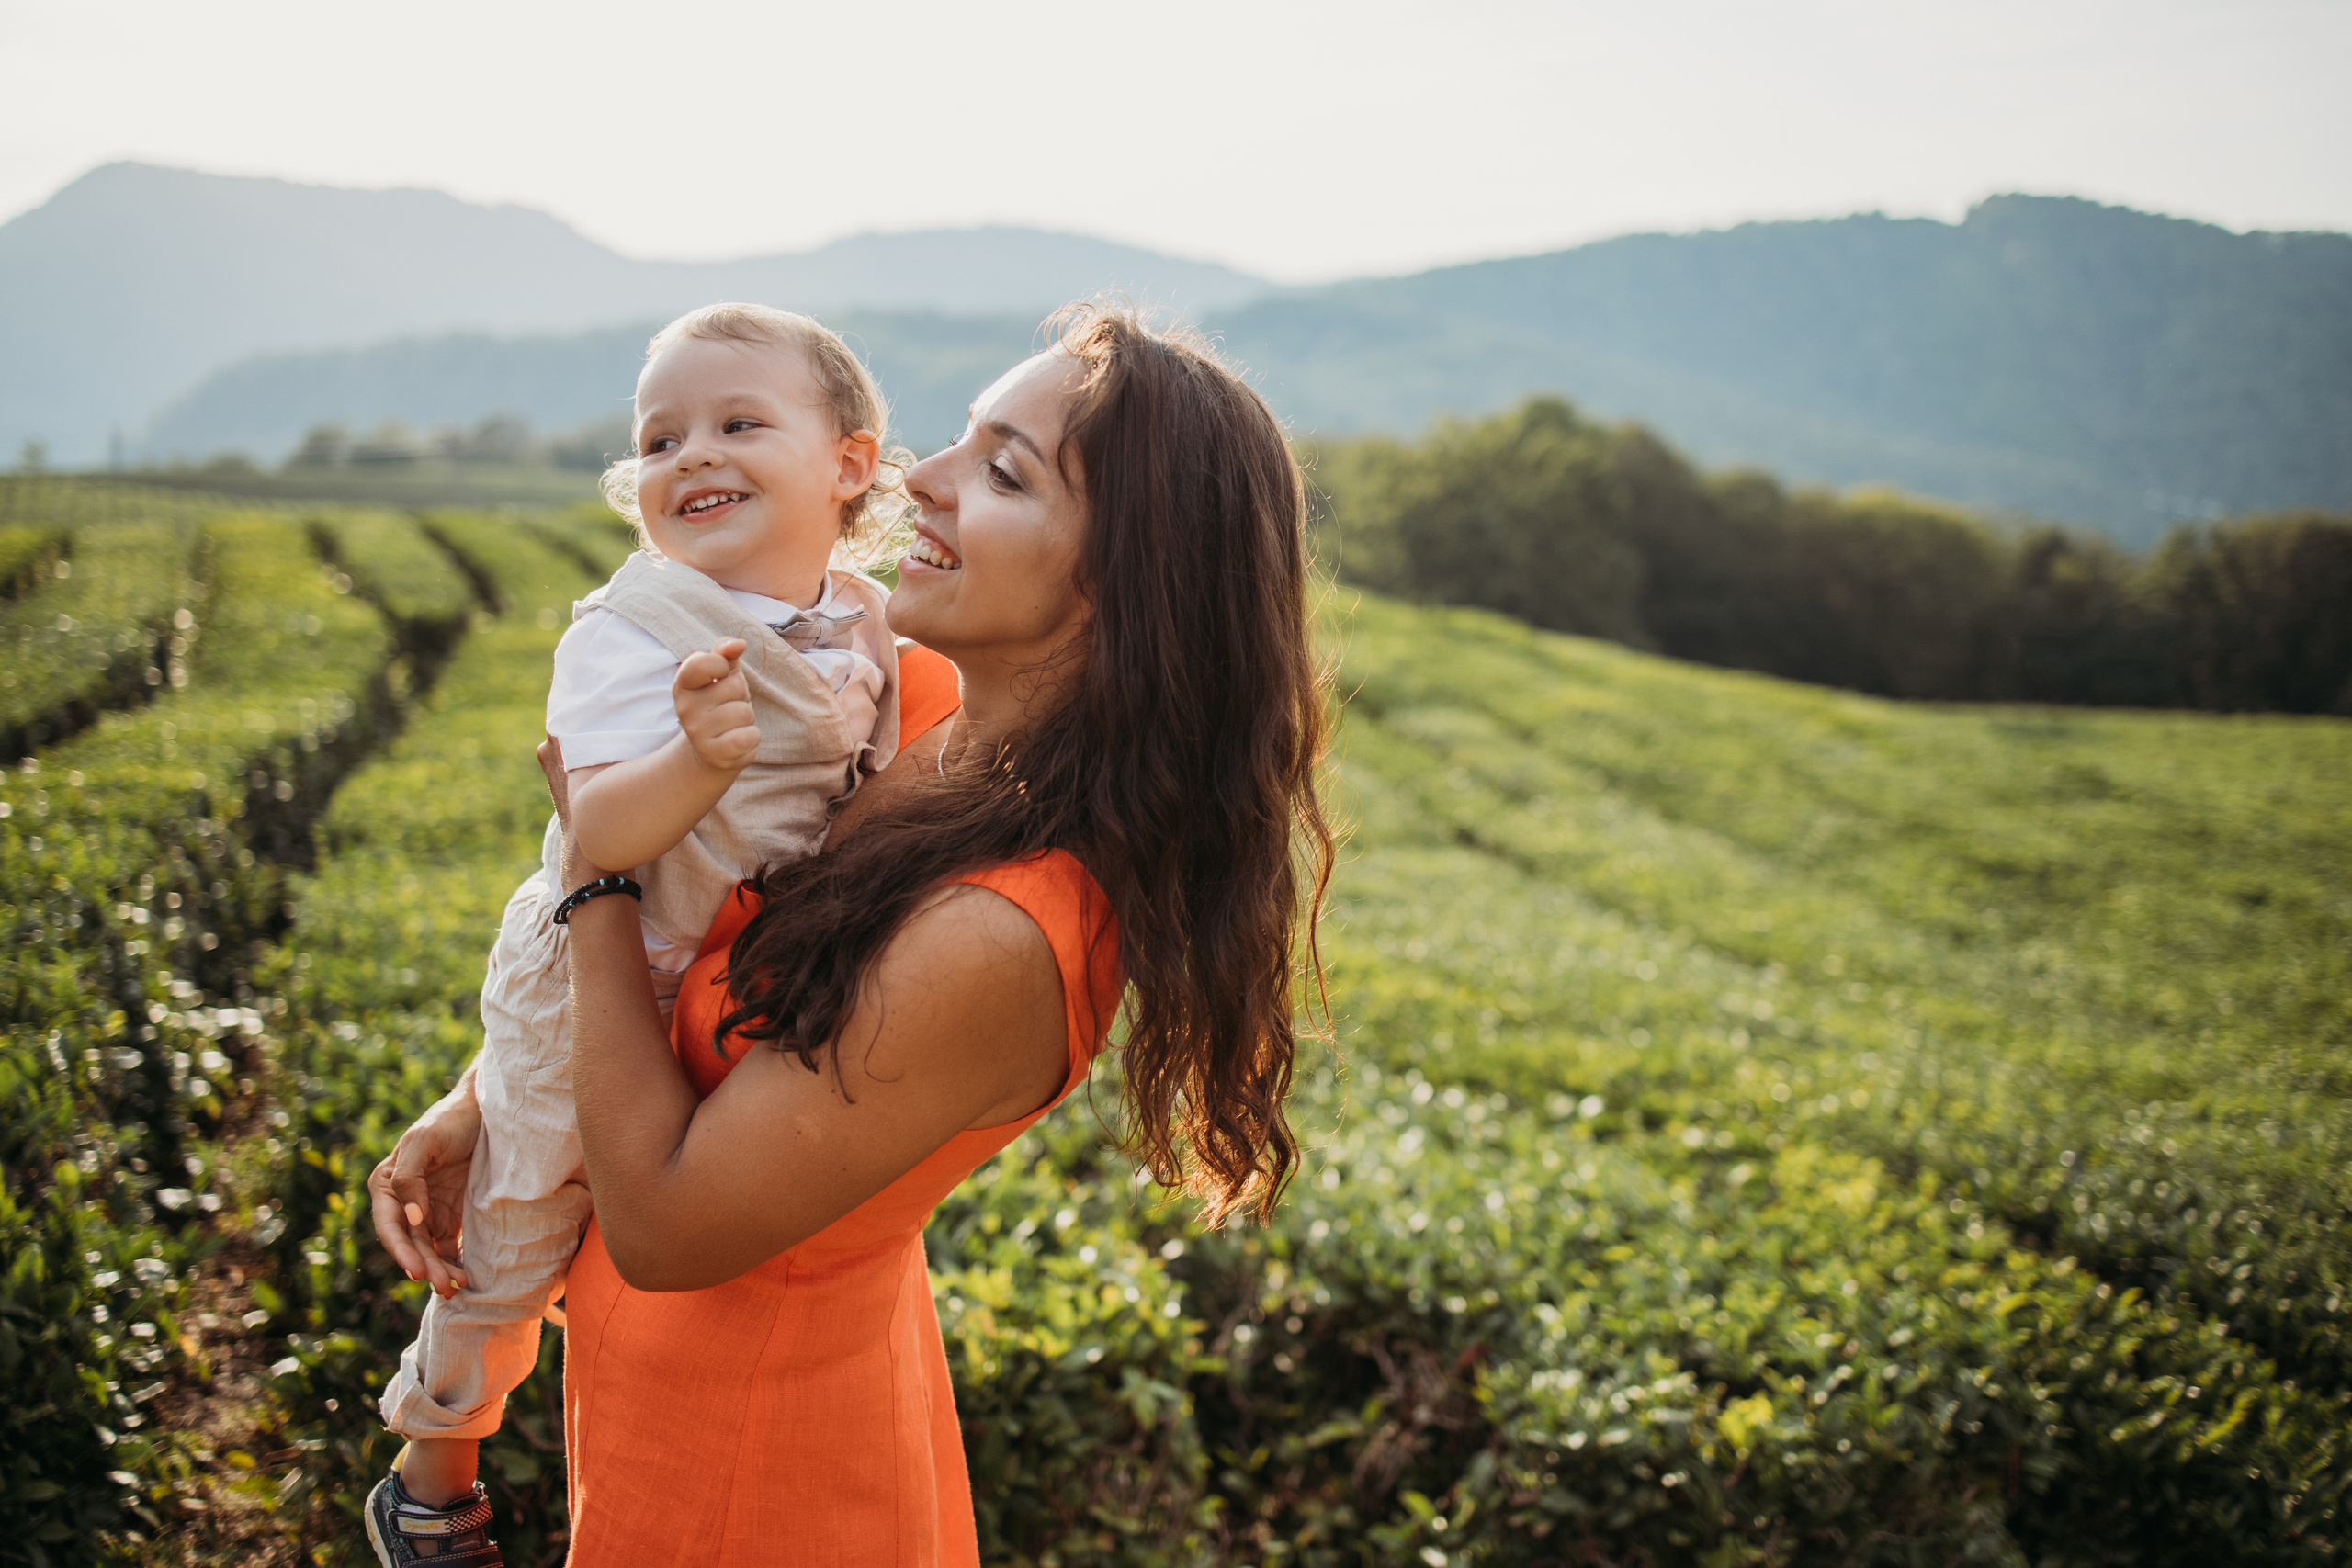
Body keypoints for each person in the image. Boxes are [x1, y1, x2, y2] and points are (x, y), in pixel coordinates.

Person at [371, 305, 1334, 1564]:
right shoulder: (910, 710)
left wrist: (590, 875)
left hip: (762, 1472)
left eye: (1001, 472)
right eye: (957, 442)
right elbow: (689, 913)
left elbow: (665, 1228)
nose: (918, 478)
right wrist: (488, 1098)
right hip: (646, 1390)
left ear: (1127, 579)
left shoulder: (1007, 931)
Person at [364, 302, 912, 1566]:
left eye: (737, 423)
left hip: (710, 972)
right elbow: (594, 825)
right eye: (661, 438)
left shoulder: (862, 618)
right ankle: (432, 1464)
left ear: (849, 465)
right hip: (585, 968)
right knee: (516, 1213)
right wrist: (691, 760)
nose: (692, 455)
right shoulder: (631, 631)